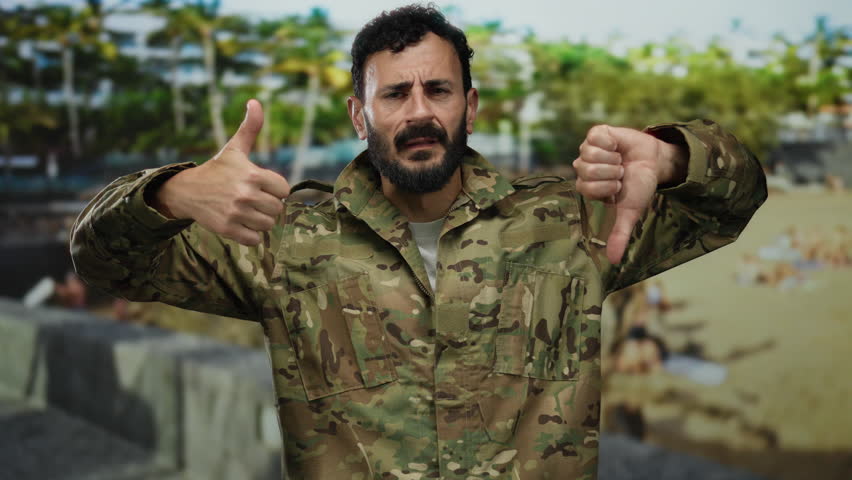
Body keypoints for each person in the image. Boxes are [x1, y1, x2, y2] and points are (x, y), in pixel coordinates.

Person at [70, 5, 767, 479]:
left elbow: (733, 204)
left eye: (438, 89)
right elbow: (102, 259)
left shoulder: (569, 225)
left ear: (471, 106)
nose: (419, 112)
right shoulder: (286, 243)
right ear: (359, 115)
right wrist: (171, 193)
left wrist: (673, 157)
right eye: (394, 94)